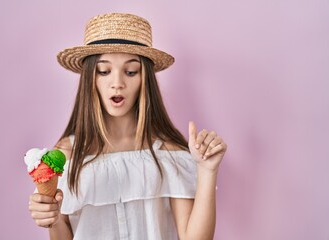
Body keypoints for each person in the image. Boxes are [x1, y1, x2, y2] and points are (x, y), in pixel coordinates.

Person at [28, 13, 227, 240]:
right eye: (104, 71)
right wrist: (52, 220)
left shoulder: (168, 152)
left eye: (131, 71)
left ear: (145, 79)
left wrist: (207, 171)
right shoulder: (67, 154)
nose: (117, 83)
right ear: (90, 78)